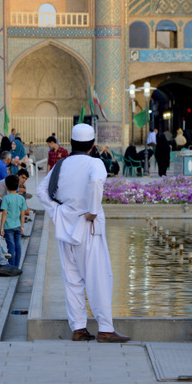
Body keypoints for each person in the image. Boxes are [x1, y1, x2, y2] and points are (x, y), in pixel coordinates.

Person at [37, 123, 130, 343]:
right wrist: (93, 210)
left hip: (65, 228)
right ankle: (105, 329)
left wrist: (58, 212)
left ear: (71, 142)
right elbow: (97, 181)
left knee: (72, 280)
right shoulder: (94, 163)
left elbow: (41, 191)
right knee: (98, 278)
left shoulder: (60, 164)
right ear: (92, 145)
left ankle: (79, 328)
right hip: (88, 228)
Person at [0, 174, 27, 268]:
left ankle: (12, 266)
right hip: (18, 226)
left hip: (8, 227)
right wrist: (22, 226)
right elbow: (22, 214)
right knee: (18, 246)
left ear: (6, 186)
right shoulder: (21, 198)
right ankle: (17, 265)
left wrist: (1, 227)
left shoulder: (6, 198)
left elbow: (4, 213)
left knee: (10, 247)